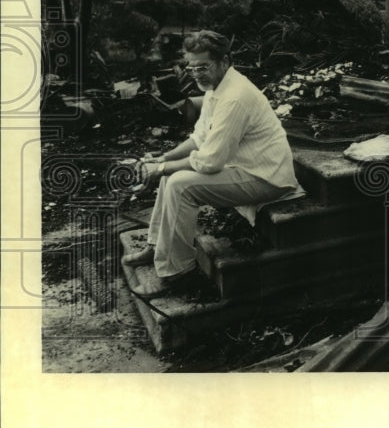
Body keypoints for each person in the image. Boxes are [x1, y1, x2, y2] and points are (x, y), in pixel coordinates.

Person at [124, 30, 300, 299]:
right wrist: (164, 159)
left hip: (267, 177)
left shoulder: (235, 96)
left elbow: (209, 161)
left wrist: (161, 169)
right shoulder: (216, 88)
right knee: (170, 175)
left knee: (180, 185)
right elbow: (199, 138)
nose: (196, 74)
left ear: (224, 61)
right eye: (191, 68)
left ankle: (175, 274)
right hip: (243, 168)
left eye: (203, 67)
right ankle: (156, 244)